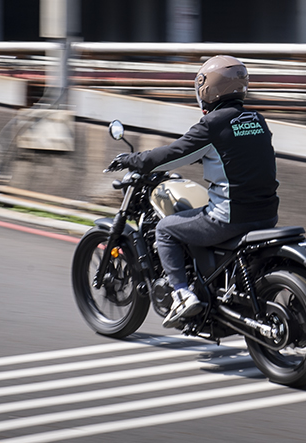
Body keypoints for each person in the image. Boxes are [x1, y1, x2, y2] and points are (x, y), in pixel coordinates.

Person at [107, 55, 279, 327]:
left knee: (166, 229)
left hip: (229, 218)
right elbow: (238, 155)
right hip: (267, 215)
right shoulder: (256, 120)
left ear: (209, 89)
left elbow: (172, 154)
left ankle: (182, 295)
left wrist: (133, 160)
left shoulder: (213, 125)